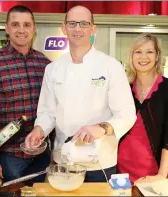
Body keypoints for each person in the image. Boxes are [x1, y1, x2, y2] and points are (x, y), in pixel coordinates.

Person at [25, 5, 136, 182]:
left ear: (93, 28)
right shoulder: (53, 69)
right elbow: (47, 113)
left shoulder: (110, 66)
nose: (77, 29)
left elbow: (127, 113)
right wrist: (39, 130)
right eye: (72, 23)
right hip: (63, 162)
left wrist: (101, 128)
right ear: (64, 27)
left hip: (99, 164)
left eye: (84, 24)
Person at [0, 5, 51, 183]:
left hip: (41, 156)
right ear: (7, 29)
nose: (21, 30)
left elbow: (51, 109)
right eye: (15, 24)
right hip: (8, 158)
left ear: (34, 28)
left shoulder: (45, 64)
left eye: (26, 25)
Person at [117, 33, 168, 184]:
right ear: (131, 56)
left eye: (149, 52)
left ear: (157, 56)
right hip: (120, 169)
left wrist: (161, 175)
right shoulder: (123, 89)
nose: (143, 57)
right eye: (138, 52)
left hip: (153, 171)